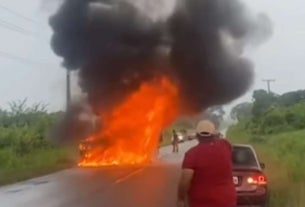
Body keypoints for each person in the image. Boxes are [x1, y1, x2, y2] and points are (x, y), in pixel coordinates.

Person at [177, 120, 236, 207]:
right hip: (227, 200)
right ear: (213, 135)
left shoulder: (192, 154)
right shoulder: (225, 145)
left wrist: (181, 198)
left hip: (202, 202)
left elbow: (185, 179)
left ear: (197, 136)